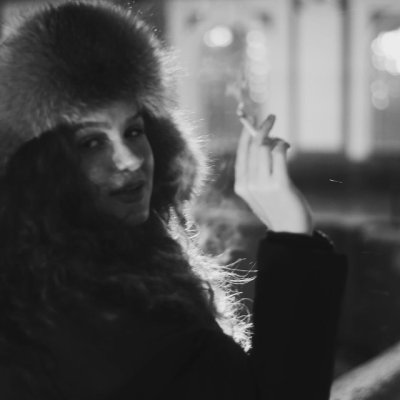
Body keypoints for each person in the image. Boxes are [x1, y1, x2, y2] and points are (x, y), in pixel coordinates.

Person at [0, 1, 347, 399]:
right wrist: (291, 233)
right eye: (91, 142)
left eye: (133, 131)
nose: (130, 160)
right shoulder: (87, 314)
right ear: (41, 170)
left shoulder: (106, 270)